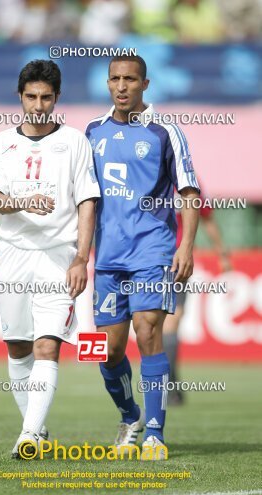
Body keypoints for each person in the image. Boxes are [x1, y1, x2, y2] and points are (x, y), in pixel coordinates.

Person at [0, 59, 100, 458]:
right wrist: (23, 201)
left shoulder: (75, 142)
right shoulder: (1, 143)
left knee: (48, 346)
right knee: (18, 347)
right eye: (31, 96)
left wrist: (81, 258)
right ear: (20, 96)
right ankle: (38, 427)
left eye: (46, 97)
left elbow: (87, 202)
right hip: (13, 254)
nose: (38, 105)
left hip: (57, 257)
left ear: (57, 99)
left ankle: (28, 436)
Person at [85, 55, 200, 459]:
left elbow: (188, 192)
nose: (121, 86)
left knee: (148, 331)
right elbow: (84, 199)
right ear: (107, 82)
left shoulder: (165, 131)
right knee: (107, 350)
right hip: (107, 258)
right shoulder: (92, 131)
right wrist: (79, 253)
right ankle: (129, 414)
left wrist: (186, 247)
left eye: (130, 79)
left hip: (153, 251)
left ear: (145, 84)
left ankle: (154, 432)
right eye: (115, 78)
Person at [164, 194, 231, 404]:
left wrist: (222, 252)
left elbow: (206, 216)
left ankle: (168, 385)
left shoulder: (187, 180)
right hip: (152, 258)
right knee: (163, 324)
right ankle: (169, 387)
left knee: (169, 322)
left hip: (176, 261)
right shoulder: (150, 172)